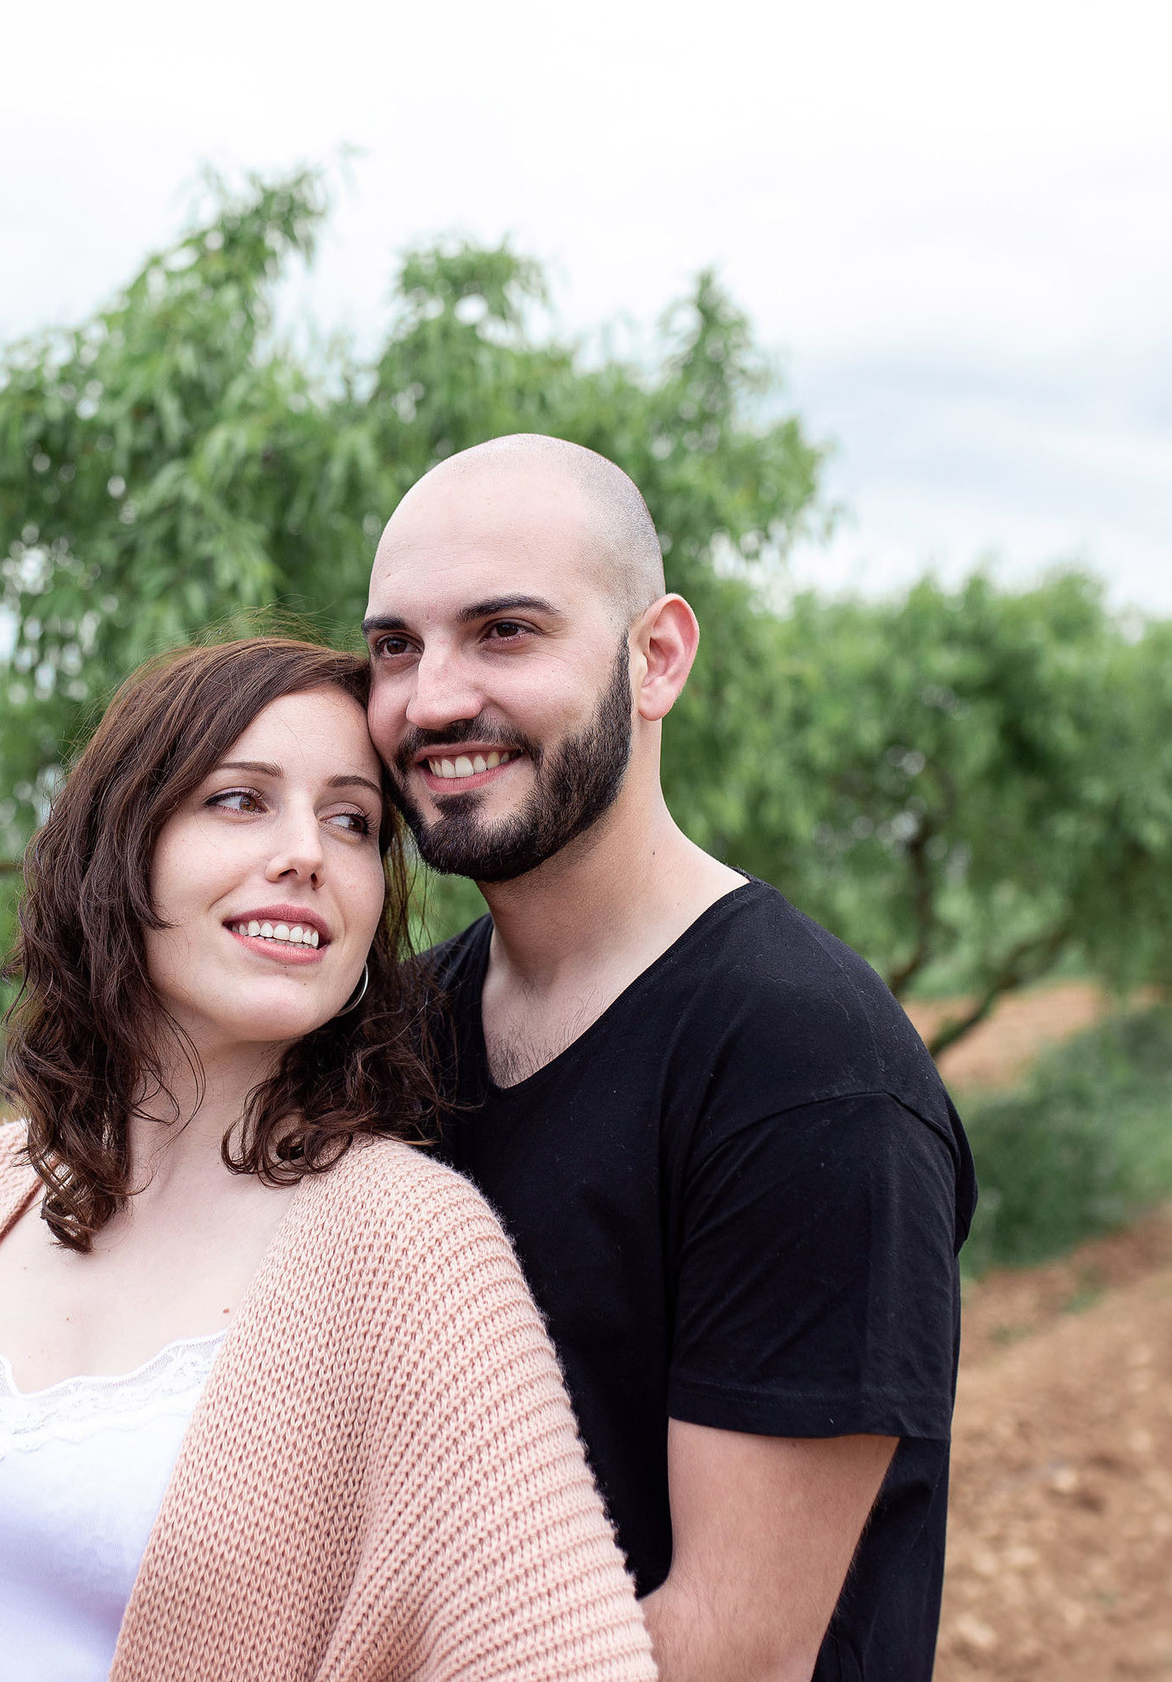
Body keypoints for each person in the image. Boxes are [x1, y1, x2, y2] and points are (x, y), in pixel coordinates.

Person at [0, 636, 656, 1682]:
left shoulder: (410, 1248)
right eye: (240, 800)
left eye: (352, 821)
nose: (307, 853)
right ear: (119, 847)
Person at [362, 435, 978, 1682]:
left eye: (504, 631)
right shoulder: (397, 1037)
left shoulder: (804, 1069)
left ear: (656, 658)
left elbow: (729, 1651)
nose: (430, 700)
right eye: (394, 647)